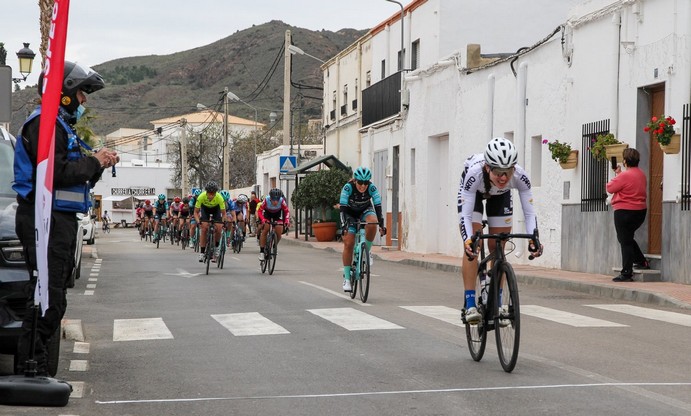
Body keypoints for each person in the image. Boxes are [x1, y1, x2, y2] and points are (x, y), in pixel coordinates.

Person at [12, 61, 117, 376]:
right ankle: (30, 368)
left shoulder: (59, 126)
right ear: (65, 92)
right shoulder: (44, 124)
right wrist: (93, 161)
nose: (84, 100)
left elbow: (73, 177)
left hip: (59, 220)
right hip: (44, 220)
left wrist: (97, 164)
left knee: (52, 297)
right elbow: (54, 172)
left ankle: (37, 367)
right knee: (46, 297)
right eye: (82, 93)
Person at [457, 138, 543, 325]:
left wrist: (534, 238)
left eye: (508, 172)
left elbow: (529, 213)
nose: (503, 178)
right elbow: (465, 216)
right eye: (498, 172)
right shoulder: (474, 174)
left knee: (498, 245)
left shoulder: (520, 176)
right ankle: (470, 304)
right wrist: (467, 240)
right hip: (474, 194)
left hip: (500, 196)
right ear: (488, 167)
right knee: (474, 245)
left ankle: (497, 302)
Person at [338, 167, 386, 292]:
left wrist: (381, 224)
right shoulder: (348, 188)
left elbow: (378, 205)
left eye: (366, 182)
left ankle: (367, 251)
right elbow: (342, 208)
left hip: (365, 210)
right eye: (360, 182)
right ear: (355, 181)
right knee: (349, 243)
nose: (363, 186)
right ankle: (347, 279)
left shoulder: (372, 188)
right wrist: (344, 225)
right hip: (349, 213)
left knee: (372, 222)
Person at [606, 148, 648, 282]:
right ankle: (642, 261)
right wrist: (619, 173)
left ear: (625, 161)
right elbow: (628, 183)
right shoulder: (642, 175)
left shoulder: (624, 176)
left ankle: (626, 273)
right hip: (640, 211)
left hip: (624, 211)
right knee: (627, 238)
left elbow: (610, 188)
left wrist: (618, 174)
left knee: (625, 241)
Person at [194, 181, 226, 262]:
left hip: (216, 209)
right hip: (205, 209)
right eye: (209, 193)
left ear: (216, 193)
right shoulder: (201, 197)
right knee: (204, 228)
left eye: (213, 193)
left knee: (219, 228)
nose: (211, 195)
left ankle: (216, 247)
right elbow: (196, 212)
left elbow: (224, 213)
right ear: (206, 192)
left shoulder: (219, 197)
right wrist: (198, 221)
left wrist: (223, 223)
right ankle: (202, 252)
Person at [257, 188, 290, 261]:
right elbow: (259, 211)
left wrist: (287, 220)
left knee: (279, 232)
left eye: (277, 200)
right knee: (266, 229)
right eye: (273, 200)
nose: (275, 202)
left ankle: (274, 246)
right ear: (270, 198)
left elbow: (286, 211)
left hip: (277, 214)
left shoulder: (282, 201)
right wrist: (263, 219)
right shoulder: (266, 200)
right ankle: (262, 252)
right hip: (267, 214)